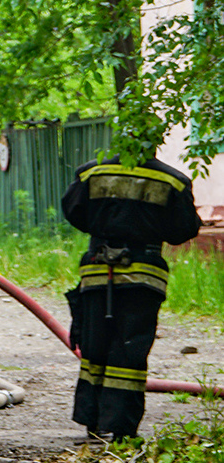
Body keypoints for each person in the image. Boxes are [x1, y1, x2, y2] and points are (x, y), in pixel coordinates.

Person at [61, 153, 202, 441]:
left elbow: (74, 211)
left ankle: (93, 420)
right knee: (130, 348)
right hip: (144, 277)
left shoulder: (91, 173)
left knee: (94, 343)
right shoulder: (173, 180)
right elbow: (185, 229)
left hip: (98, 269)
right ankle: (122, 426)